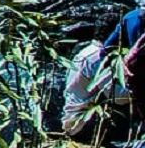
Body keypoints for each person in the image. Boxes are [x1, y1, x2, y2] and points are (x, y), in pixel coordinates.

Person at [61, 8, 145, 139]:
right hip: (84, 124)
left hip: (76, 119)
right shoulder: (98, 58)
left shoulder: (86, 51)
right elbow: (118, 97)